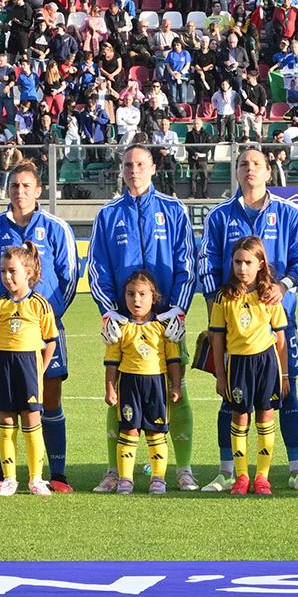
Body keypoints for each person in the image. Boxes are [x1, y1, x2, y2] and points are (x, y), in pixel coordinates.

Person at [200, 144, 298, 491]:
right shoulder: (219, 216)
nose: (249, 169)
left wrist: (283, 285)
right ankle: (227, 472)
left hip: (278, 325)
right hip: (232, 326)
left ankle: (296, 470)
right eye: (243, 164)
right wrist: (214, 312)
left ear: (268, 171)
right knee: (230, 397)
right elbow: (206, 263)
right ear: (236, 172)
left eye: (256, 163)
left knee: (287, 390)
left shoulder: (289, 214)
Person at [86, 145, 196, 491]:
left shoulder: (173, 209)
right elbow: (97, 269)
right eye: (129, 164)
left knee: (177, 392)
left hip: (167, 322)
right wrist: (108, 312)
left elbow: (186, 264)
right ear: (122, 169)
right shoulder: (108, 215)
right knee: (117, 395)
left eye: (141, 164)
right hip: (124, 323)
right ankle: (114, 470)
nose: (134, 170)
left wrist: (178, 308)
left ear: (153, 168)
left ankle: (183, 468)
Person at [0, 160, 71, 494]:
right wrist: (7, 308)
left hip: (44, 329)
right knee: (2, 402)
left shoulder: (57, 227)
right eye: (14, 185)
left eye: (26, 185)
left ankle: (55, 474)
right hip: (6, 333)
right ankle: (1, 474)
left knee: (50, 399)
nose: (20, 191)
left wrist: (45, 315)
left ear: (38, 189)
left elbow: (69, 277)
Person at [0, 244, 61, 495]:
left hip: (29, 366)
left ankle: (36, 479)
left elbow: (50, 342)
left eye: (12, 271)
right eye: (3, 271)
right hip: (3, 367)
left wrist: (40, 370)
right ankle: (9, 479)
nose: (7, 277)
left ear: (28, 271)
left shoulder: (40, 304)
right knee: (5, 420)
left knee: (31, 419)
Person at [103, 271, 176, 494]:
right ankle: (125, 479)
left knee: (156, 432)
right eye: (130, 294)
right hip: (128, 385)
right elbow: (112, 361)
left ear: (153, 296)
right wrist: (110, 388)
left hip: (157, 385)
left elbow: (173, 359)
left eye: (142, 294)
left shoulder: (163, 326)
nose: (136, 300)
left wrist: (174, 386)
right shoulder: (119, 326)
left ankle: (158, 478)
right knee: (129, 430)